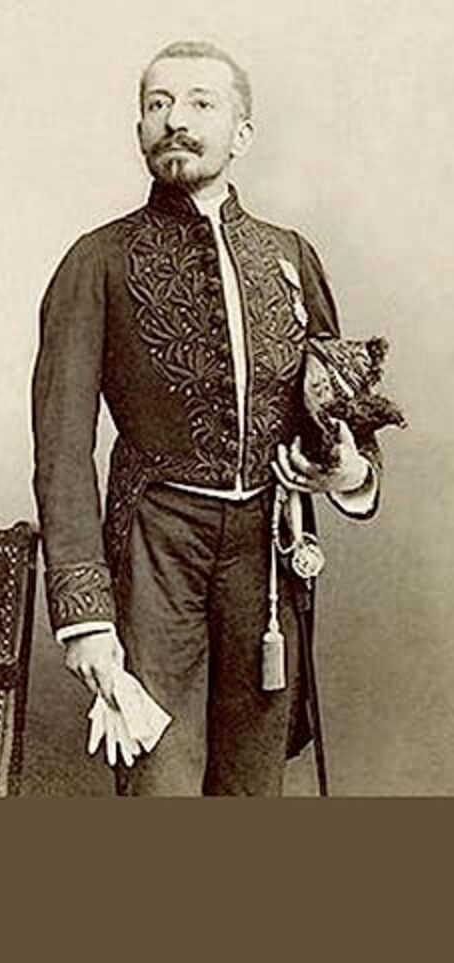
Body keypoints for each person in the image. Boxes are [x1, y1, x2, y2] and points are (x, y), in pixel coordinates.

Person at [32, 40, 380, 796]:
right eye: (157, 105)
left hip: (268, 557)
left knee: (252, 791)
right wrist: (85, 612)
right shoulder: (97, 261)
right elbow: (61, 449)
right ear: (139, 129)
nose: (174, 121)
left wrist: (345, 468)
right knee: (160, 788)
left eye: (199, 103)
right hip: (154, 549)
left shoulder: (292, 257)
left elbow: (342, 412)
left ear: (241, 133)